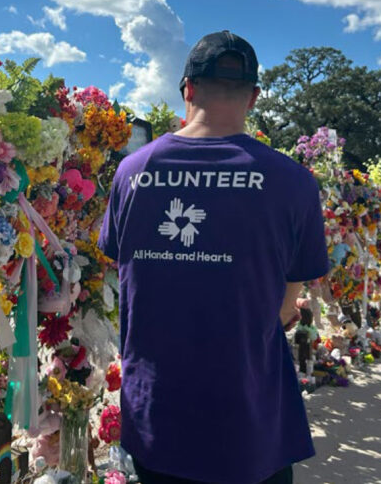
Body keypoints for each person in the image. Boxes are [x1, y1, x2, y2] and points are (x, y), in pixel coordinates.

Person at [98, 31, 330, 484]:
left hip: (158, 415)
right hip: (248, 417)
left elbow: (121, 268)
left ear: (187, 89)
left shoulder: (133, 172)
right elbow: (287, 307)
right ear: (254, 97)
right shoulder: (293, 182)